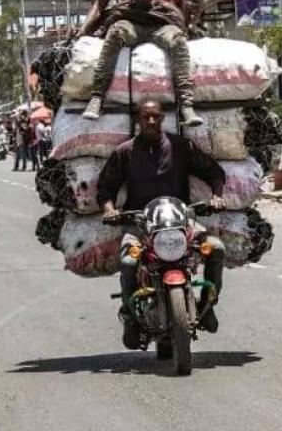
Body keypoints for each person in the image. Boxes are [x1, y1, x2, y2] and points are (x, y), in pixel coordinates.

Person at [96, 99, 226, 349]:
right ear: (138, 120)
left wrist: (217, 196)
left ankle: (208, 306)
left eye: (156, 116)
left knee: (216, 248)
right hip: (140, 225)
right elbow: (105, 187)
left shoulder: (181, 147)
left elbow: (214, 172)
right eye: (146, 117)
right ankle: (130, 316)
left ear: (162, 118)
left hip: (180, 223)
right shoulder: (125, 152)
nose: (151, 121)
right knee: (128, 261)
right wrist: (110, 210)